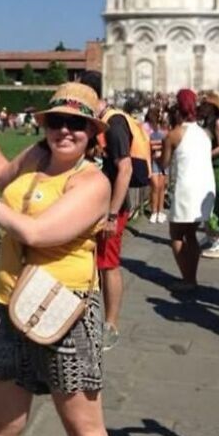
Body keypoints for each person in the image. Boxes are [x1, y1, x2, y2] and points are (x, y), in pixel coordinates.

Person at [0, 83, 114, 436]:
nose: (64, 131)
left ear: (92, 133)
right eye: (56, 121)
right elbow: (2, 175)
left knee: (86, 434)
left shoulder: (93, 183)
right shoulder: (38, 154)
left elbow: (36, 233)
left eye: (76, 123)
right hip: (7, 303)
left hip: (62, 310)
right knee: (3, 428)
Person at [161, 88, 216, 294]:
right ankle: (192, 276)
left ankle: (188, 278)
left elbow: (164, 163)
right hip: (203, 186)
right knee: (191, 234)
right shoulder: (204, 133)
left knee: (176, 234)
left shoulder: (174, 134)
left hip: (185, 187)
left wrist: (158, 151)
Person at [96, 104, 134, 350]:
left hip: (111, 207)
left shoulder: (115, 123)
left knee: (108, 265)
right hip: (100, 205)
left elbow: (125, 168)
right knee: (99, 263)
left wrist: (112, 214)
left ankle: (110, 325)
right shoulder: (105, 121)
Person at [198, 92, 219, 259]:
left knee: (214, 201)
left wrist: (205, 154)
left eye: (205, 105)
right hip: (210, 165)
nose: (202, 107)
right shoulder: (209, 121)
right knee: (206, 200)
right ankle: (211, 235)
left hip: (218, 168)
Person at [143, 105, 167, 223]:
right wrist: (158, 145)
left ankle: (160, 211)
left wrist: (159, 147)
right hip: (152, 159)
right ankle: (153, 211)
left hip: (163, 159)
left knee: (161, 187)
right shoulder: (146, 127)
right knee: (155, 186)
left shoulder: (164, 127)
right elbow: (146, 143)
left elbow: (168, 143)